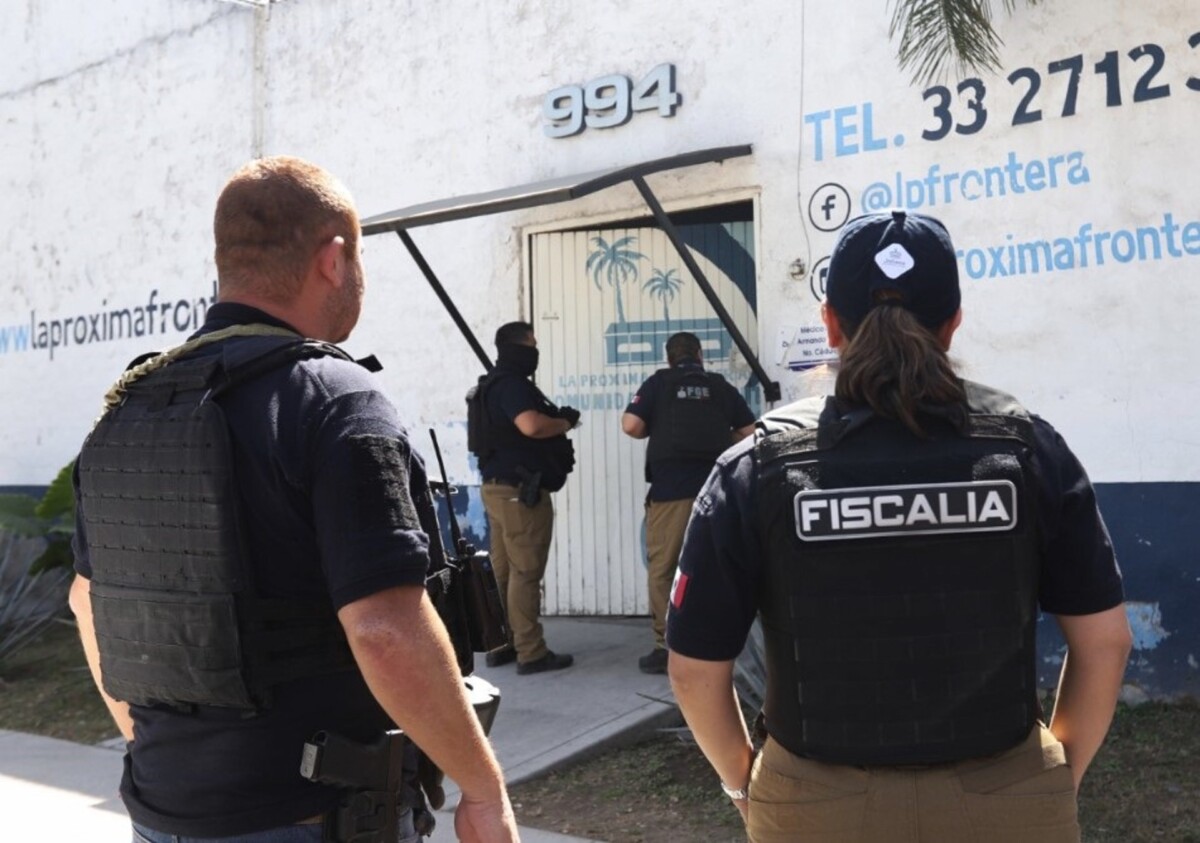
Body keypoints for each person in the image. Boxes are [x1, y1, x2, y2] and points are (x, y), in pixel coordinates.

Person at [68, 156, 519, 843]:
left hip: (160, 814)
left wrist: (175, 755)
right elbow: (384, 628)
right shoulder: (336, 401)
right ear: (333, 259)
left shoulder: (128, 408)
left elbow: (86, 603)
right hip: (309, 817)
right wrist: (484, 791)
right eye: (359, 258)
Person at [667, 210, 1132, 843]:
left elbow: (694, 671)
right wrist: (1051, 779)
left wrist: (743, 783)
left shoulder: (757, 467)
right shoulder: (1029, 451)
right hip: (1006, 799)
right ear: (954, 322)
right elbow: (1105, 642)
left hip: (816, 808)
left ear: (831, 323)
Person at [620, 331, 756, 674]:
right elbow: (751, 432)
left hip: (671, 493)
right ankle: (715, 640)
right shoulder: (718, 386)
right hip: (717, 491)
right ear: (699, 355)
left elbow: (631, 426)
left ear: (669, 358)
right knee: (718, 565)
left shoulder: (659, 383)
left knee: (664, 569)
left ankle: (666, 645)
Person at [468, 322, 579, 675]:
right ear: (518, 348)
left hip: (497, 488)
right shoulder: (512, 386)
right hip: (519, 491)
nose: (535, 351)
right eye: (532, 344)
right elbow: (531, 426)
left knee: (504, 571)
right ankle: (531, 651)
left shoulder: (491, 385)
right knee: (526, 571)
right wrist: (563, 422)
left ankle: (504, 644)